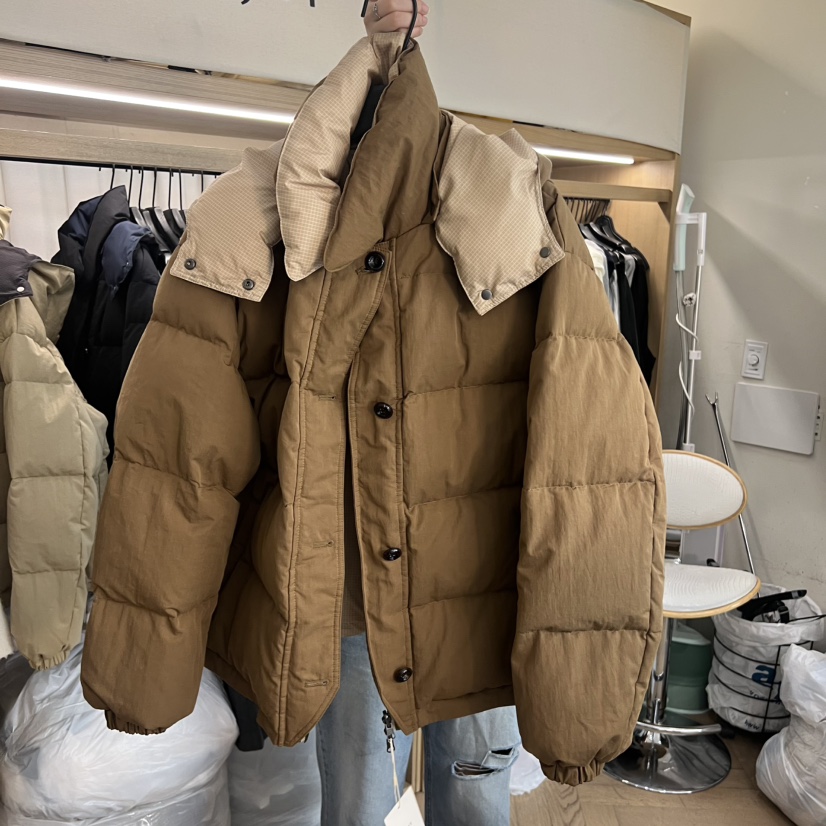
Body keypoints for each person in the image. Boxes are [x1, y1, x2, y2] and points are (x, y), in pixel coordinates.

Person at [310, 7, 521, 825]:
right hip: (361, 574)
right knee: (365, 786)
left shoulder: (513, 219)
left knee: (466, 785)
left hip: (474, 571)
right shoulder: (301, 218)